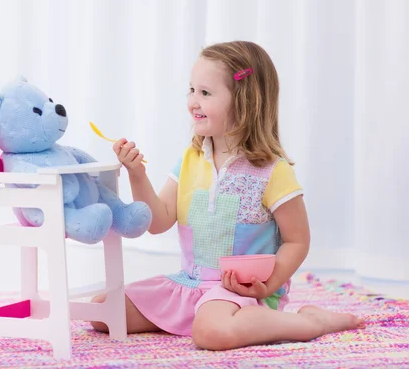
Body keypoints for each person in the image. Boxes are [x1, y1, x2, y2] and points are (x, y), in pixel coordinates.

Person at [90, 41, 365, 350]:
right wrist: (137, 174)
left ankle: (310, 322)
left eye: (205, 93)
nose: (193, 101)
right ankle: (203, 319)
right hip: (191, 285)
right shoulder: (190, 160)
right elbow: (158, 221)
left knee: (210, 333)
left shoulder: (272, 171)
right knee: (102, 310)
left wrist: (266, 287)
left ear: (245, 102)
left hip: (239, 293)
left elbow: (297, 240)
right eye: (191, 90)